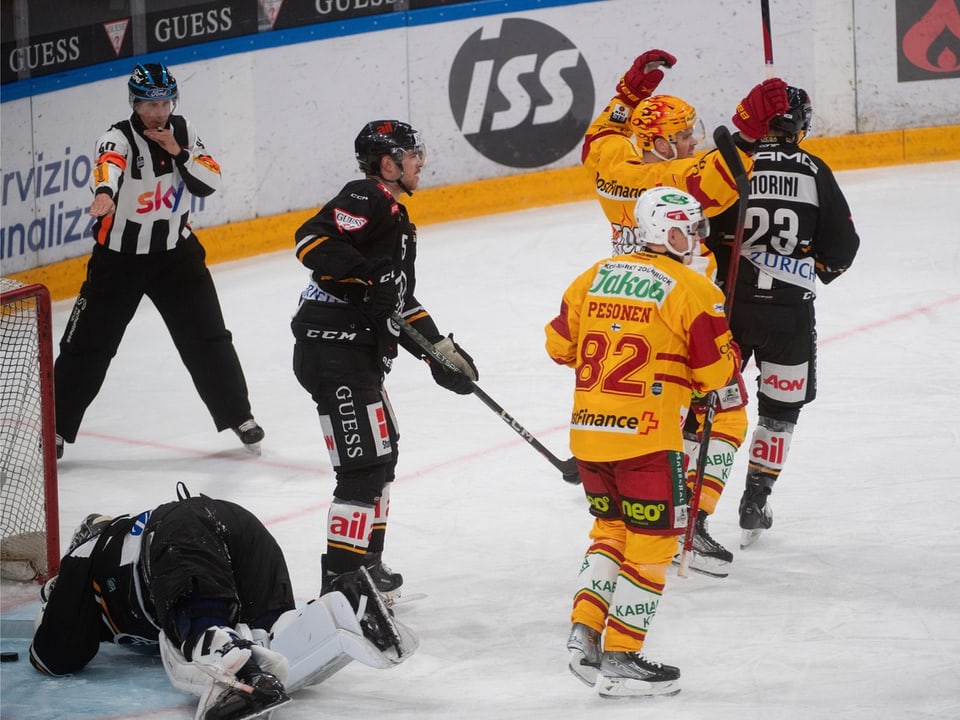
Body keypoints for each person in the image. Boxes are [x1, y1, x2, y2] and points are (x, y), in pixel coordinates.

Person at [580, 49, 789, 575]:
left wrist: (628, 97)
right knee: (724, 416)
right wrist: (747, 130)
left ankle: (647, 523)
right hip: (675, 320)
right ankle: (686, 522)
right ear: (662, 141)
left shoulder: (613, 171)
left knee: (668, 430)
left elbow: (597, 142)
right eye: (685, 133)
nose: (693, 140)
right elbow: (709, 180)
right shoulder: (664, 187)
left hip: (625, 312)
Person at [545, 187, 742, 697]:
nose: (697, 238)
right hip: (648, 442)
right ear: (664, 231)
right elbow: (717, 374)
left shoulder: (591, 276)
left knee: (610, 531)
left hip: (588, 435)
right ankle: (622, 658)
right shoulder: (694, 290)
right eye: (688, 228)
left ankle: (585, 633)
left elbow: (558, 344)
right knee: (652, 547)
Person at [29, 485, 414, 720]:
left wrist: (51, 599)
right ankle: (348, 603)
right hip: (237, 524)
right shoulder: (117, 548)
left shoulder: (83, 556)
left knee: (198, 629)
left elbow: (53, 655)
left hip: (182, 532)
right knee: (274, 633)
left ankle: (228, 666)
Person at [291, 120, 478, 598]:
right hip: (331, 348)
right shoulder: (366, 196)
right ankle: (341, 581)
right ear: (388, 163)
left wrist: (439, 351)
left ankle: (366, 566)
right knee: (363, 466)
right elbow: (311, 241)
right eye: (412, 155)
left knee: (383, 454)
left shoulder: (397, 219)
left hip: (357, 352)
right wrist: (368, 275)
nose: (421, 162)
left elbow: (399, 301)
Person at [53, 63, 264, 459]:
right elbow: (108, 165)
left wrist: (178, 152)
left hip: (176, 256)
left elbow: (210, 182)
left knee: (208, 338)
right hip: (119, 262)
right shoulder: (116, 137)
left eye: (165, 101)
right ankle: (58, 428)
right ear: (135, 103)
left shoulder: (183, 131)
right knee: (87, 346)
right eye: (150, 103)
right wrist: (104, 192)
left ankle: (239, 415)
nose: (159, 111)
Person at [705, 87, 860, 548]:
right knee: (779, 411)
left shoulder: (727, 163)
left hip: (727, 311)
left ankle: (690, 507)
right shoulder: (814, 171)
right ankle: (756, 497)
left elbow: (700, 230)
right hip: (790, 317)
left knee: (710, 411)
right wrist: (807, 267)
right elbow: (843, 250)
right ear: (798, 125)